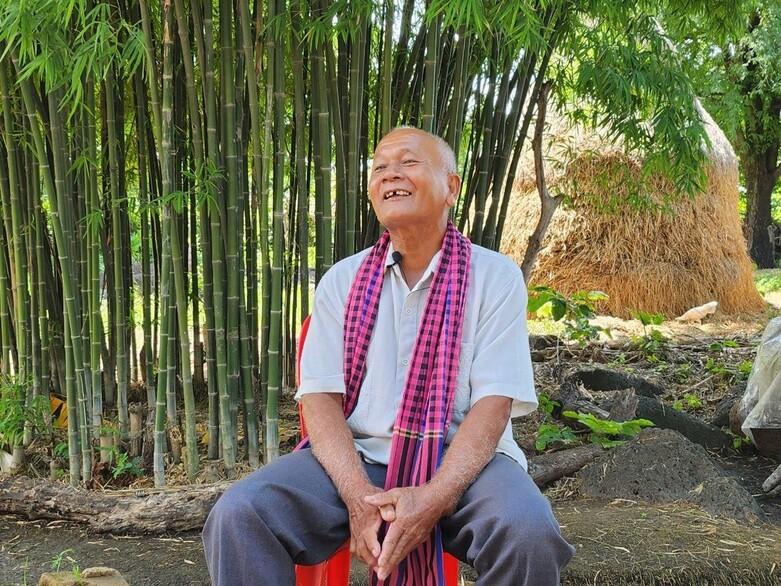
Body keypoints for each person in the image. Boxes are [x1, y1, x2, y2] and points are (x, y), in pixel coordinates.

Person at [203, 127, 575, 585]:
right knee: (241, 514)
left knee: (528, 530)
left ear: (451, 187)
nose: (390, 174)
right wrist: (359, 497)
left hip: (462, 461)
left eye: (408, 162)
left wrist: (432, 498)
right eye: (379, 167)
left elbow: (493, 406)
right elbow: (320, 400)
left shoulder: (494, 277)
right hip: (358, 457)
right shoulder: (343, 280)